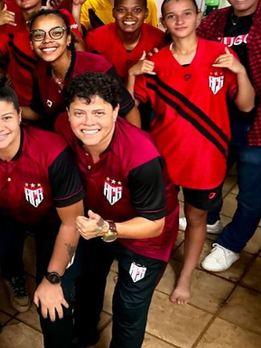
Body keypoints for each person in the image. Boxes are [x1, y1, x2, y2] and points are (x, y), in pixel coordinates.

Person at [127, 0, 254, 304]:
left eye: (187, 14)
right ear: (163, 22)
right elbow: (132, 120)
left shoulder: (219, 54)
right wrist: (131, 75)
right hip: (164, 158)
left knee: (196, 219)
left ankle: (185, 276)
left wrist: (239, 71)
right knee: (161, 217)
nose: (180, 21)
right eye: (172, 16)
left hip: (206, 159)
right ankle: (154, 264)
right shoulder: (154, 64)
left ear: (199, 17)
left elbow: (247, 105)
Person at [0, 72, 84, 343]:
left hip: (53, 222)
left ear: (19, 117)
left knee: (53, 307)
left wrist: (52, 279)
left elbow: (72, 222)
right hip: (3, 218)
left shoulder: (52, 151)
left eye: (6, 118)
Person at [55, 72, 179, 348]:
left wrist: (109, 229)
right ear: (68, 113)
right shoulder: (62, 128)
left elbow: (154, 224)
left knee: (128, 307)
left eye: (98, 112)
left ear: (115, 112)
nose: (88, 122)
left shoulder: (140, 155)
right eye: (79, 112)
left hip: (145, 235)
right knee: (87, 283)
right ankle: (85, 335)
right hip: (96, 221)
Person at [196, 0, 261, 273]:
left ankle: (231, 244)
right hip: (218, 120)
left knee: (251, 194)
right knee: (209, 177)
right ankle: (210, 218)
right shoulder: (214, 22)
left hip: (260, 124)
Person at [0, 0, 83, 107]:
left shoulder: (60, 16)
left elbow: (81, 52)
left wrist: (54, 21)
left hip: (61, 101)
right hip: (23, 104)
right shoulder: (10, 23)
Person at [25, 9, 140, 128]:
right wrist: (8, 107)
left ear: (68, 38)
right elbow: (40, 112)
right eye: (38, 35)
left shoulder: (96, 66)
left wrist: (136, 144)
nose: (47, 40)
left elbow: (129, 110)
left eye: (56, 32)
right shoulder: (40, 71)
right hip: (67, 140)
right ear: (31, 43)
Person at [84, 0, 166, 81]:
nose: (129, 15)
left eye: (137, 10)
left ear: (146, 13)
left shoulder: (159, 39)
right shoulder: (94, 39)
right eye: (122, 10)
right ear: (113, 12)